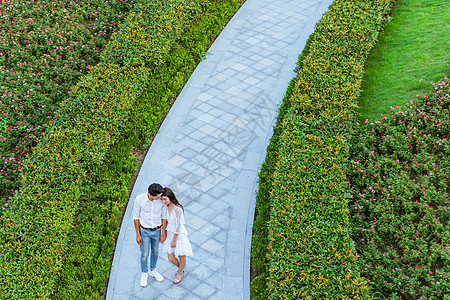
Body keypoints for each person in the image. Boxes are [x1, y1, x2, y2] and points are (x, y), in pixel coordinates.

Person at [133, 183, 167, 287]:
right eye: (158, 196)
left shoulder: (161, 201)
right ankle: (144, 273)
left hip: (157, 230)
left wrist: (163, 233)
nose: (160, 197)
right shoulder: (140, 199)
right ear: (150, 194)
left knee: (156, 251)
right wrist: (138, 234)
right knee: (144, 254)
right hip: (144, 231)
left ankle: (153, 270)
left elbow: (164, 217)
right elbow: (136, 217)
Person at [161, 187, 193, 284]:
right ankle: (181, 268)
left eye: (165, 199)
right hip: (170, 232)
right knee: (170, 257)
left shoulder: (178, 209)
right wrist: (164, 234)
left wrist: (174, 240)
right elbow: (164, 221)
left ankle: (179, 272)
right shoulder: (165, 208)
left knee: (181, 254)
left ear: (170, 197)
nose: (163, 201)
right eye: (162, 199)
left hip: (178, 234)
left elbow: (179, 225)